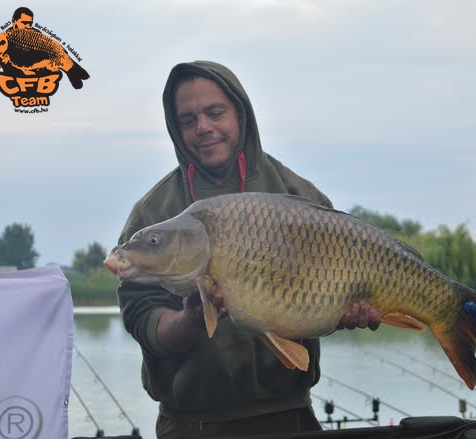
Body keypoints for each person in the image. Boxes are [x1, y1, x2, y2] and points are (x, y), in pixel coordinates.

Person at [116, 60, 380, 438]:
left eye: (214, 113)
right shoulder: (154, 215)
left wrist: (346, 311)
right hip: (192, 424)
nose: (203, 128)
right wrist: (191, 317)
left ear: (240, 113)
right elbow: (143, 320)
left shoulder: (298, 195)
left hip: (291, 416)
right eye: (188, 120)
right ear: (175, 128)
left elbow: (322, 307)